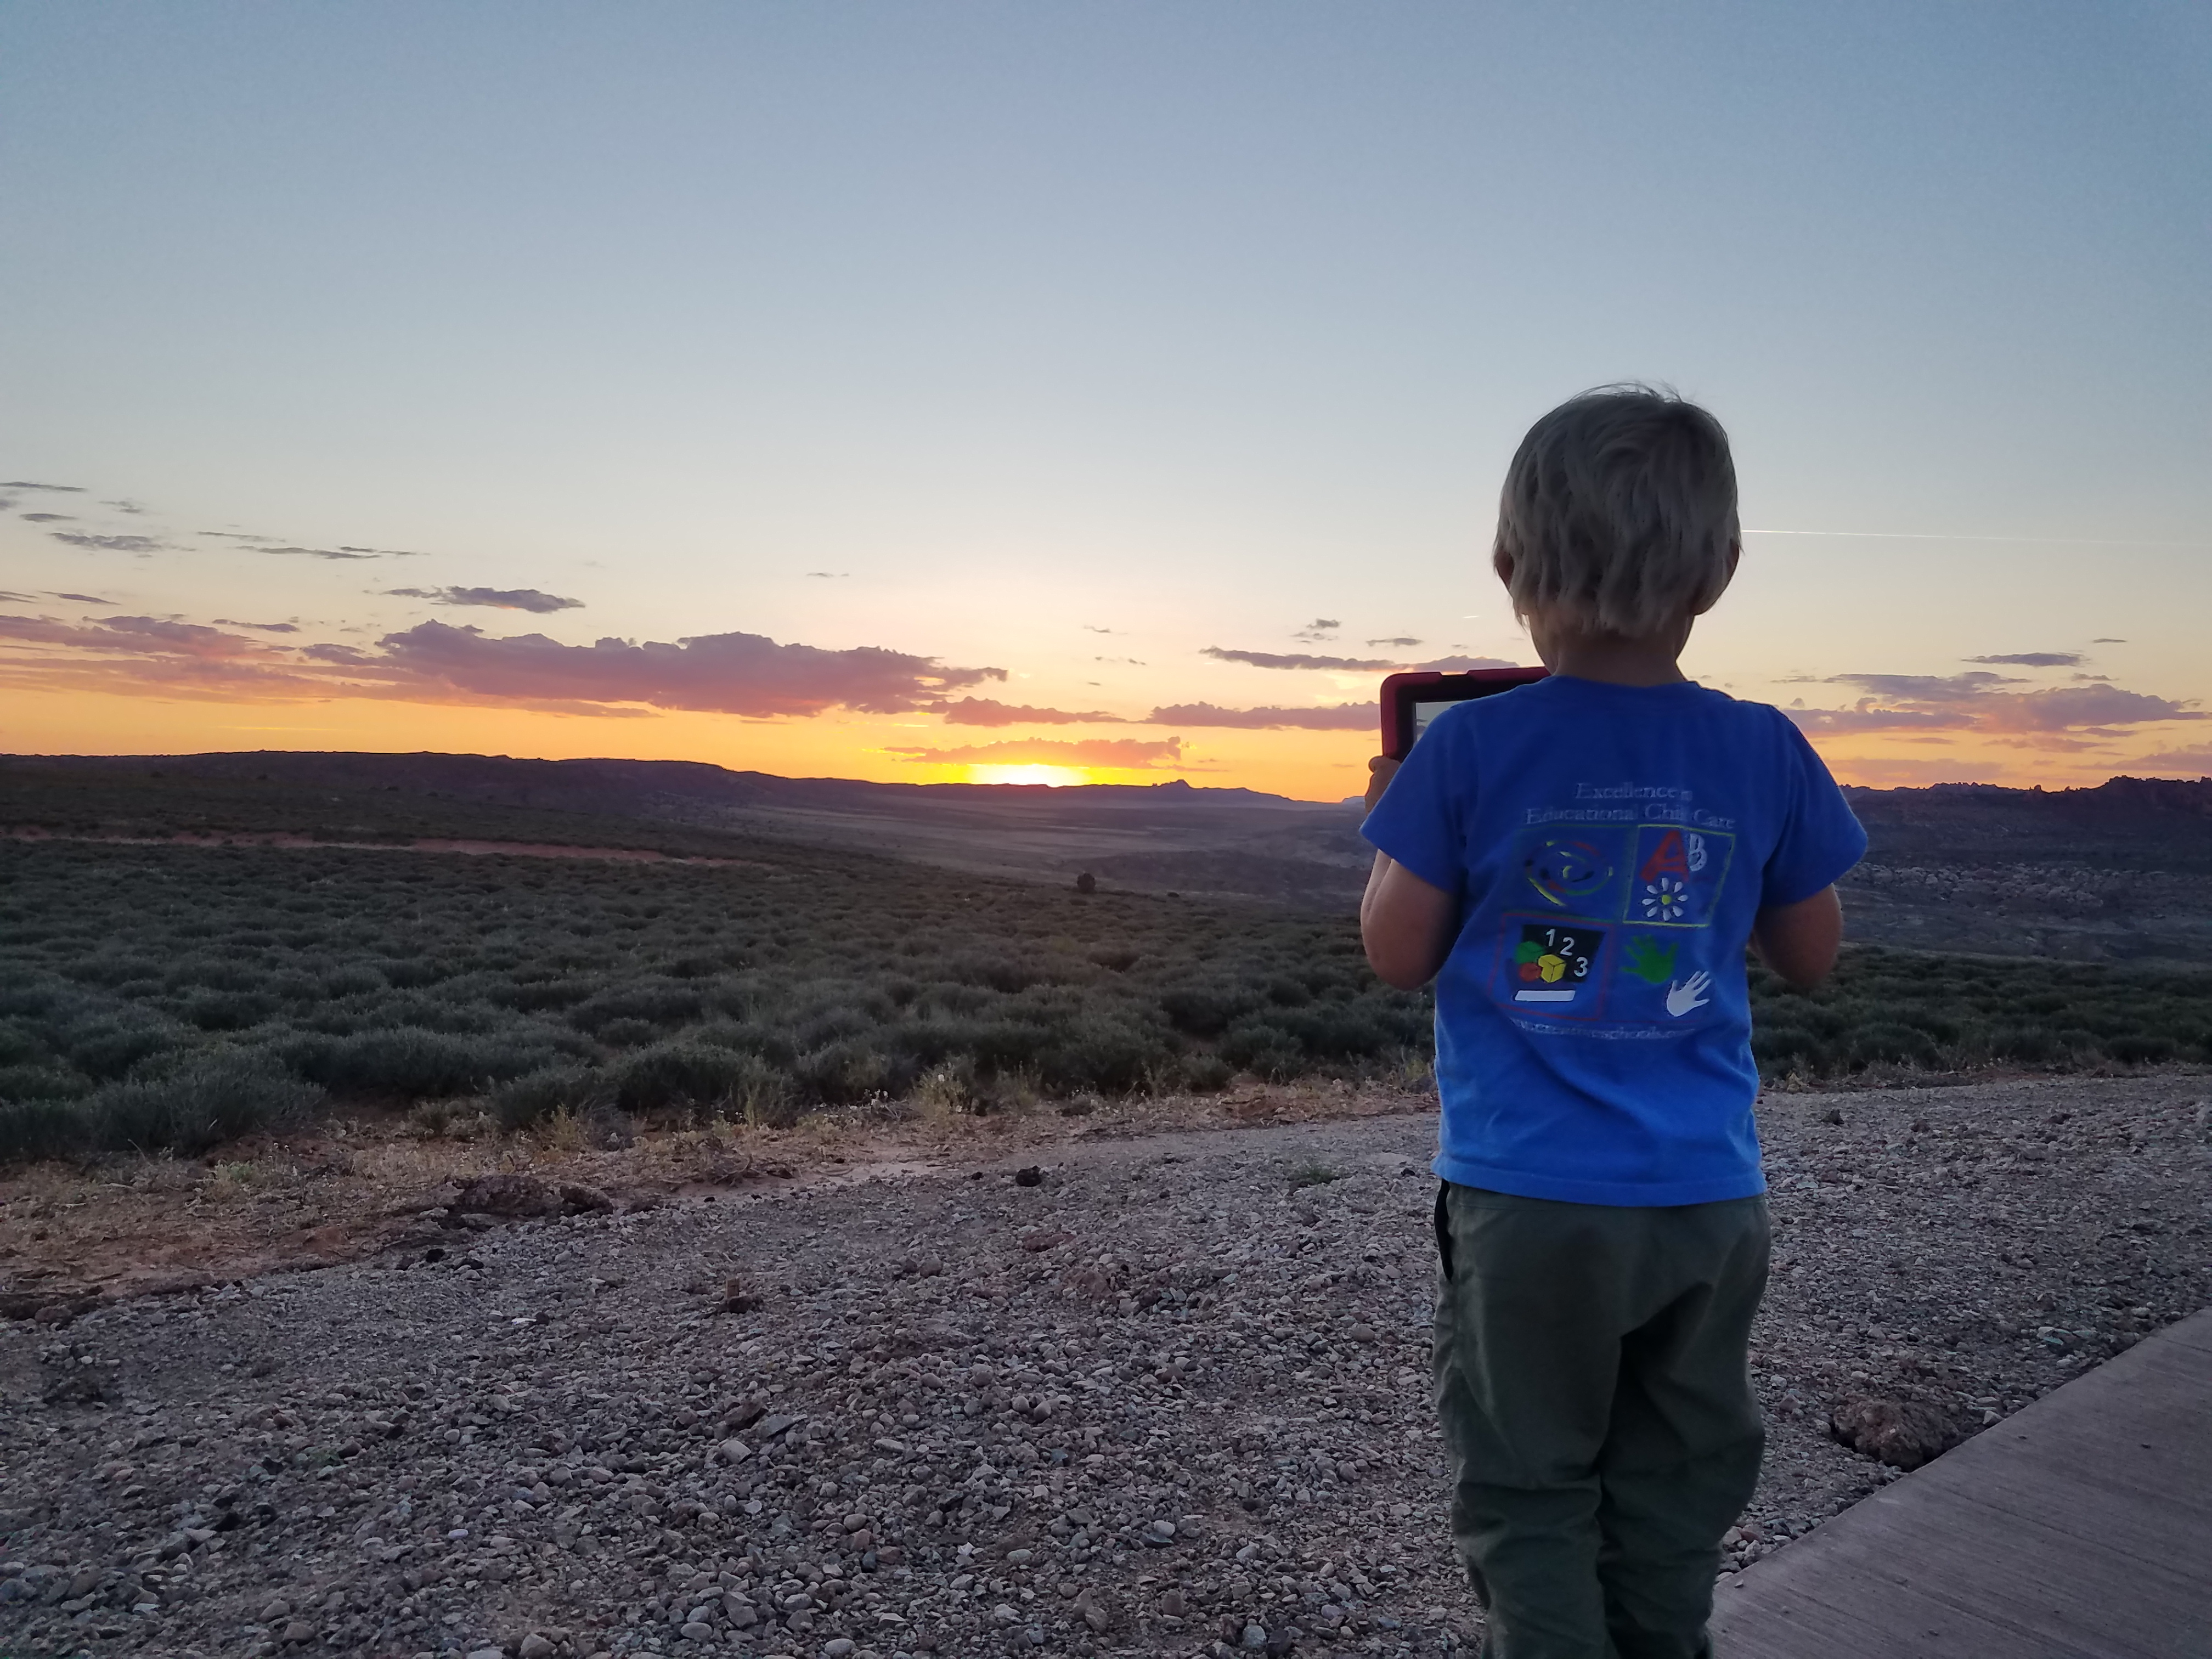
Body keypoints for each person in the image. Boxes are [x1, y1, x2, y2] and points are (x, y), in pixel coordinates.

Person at [1359, 386, 1865, 1659]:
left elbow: (1395, 953)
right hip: (1706, 1200)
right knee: (1674, 1484)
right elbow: (1813, 959)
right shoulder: (1765, 747)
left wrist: (1398, 815)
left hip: (1530, 1199)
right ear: (1723, 567)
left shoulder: (1468, 750)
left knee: (1530, 1484)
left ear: (1510, 563)